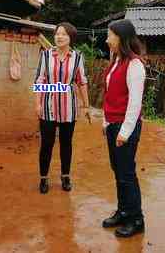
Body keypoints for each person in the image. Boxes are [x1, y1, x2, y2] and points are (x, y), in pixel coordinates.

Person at [101, 19, 146, 238]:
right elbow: (110, 96)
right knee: (118, 171)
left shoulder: (134, 64)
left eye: (110, 35)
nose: (107, 39)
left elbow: (135, 103)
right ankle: (123, 210)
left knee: (127, 173)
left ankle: (136, 219)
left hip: (124, 127)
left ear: (121, 38)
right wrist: (105, 122)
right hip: (112, 124)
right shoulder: (116, 60)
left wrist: (124, 132)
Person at [34, 22, 90, 194]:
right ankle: (43, 178)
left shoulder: (78, 57)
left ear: (70, 38)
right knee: (47, 144)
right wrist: (37, 103)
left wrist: (86, 105)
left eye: (63, 34)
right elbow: (40, 80)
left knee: (66, 144)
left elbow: (81, 82)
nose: (59, 37)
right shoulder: (45, 55)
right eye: (57, 34)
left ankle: (65, 176)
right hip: (47, 107)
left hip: (69, 108)